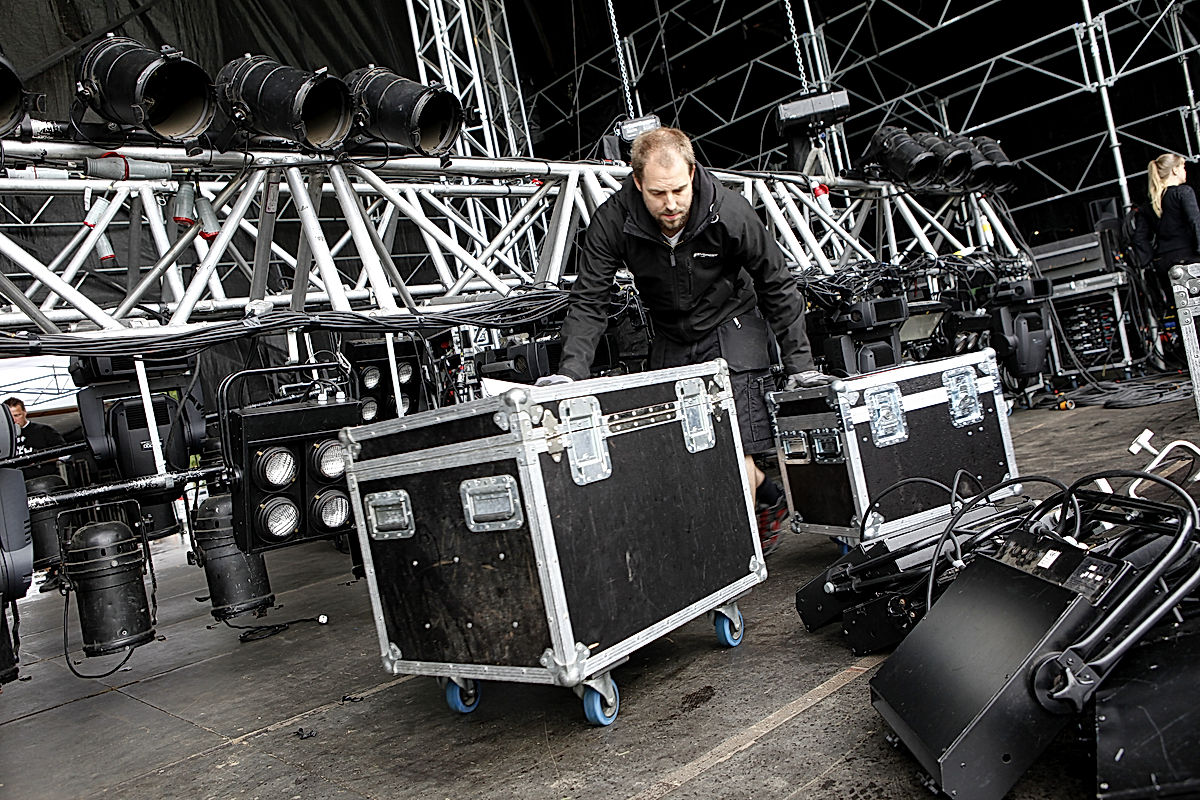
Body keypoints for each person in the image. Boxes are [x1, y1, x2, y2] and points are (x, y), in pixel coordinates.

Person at [541, 127, 830, 553]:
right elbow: (589, 301)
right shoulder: (612, 220)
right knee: (684, 450)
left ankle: (737, 560)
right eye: (658, 193)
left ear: (692, 173)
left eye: (679, 189)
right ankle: (768, 497)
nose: (671, 203)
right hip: (672, 334)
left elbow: (778, 285)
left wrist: (800, 367)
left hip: (733, 324)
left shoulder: (730, 212)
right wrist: (570, 374)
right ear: (637, 182)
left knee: (733, 452)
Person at [1147, 153, 1200, 268]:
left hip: (1163, 261)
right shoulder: (1183, 192)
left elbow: (1141, 236)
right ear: (1175, 170)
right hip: (1188, 257)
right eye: (1183, 167)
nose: (1185, 171)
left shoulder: (1151, 202)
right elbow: (1195, 221)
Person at [4, 397, 67, 480]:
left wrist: (40, 460)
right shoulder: (4, 438)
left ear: (24, 413)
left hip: (44, 480)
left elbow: (65, 454)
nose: (14, 420)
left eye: (17, 415)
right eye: (10, 417)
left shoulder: (44, 430)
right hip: (15, 483)